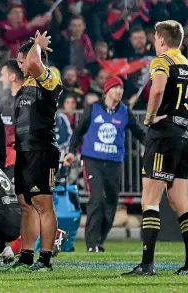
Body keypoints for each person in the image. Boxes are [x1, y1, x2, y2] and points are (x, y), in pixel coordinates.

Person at [123, 20, 188, 276]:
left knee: (150, 201)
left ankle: (147, 264)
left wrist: (149, 117)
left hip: (163, 135)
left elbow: (157, 89)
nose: (155, 43)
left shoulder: (161, 62)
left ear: (162, 40)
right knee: (180, 202)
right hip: (182, 137)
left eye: (155, 39)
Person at [63, 76, 146, 252]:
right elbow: (78, 132)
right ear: (107, 90)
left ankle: (100, 240)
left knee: (111, 203)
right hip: (92, 161)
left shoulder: (124, 111)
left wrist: (155, 146)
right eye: (116, 87)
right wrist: (71, 152)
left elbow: (139, 133)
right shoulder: (93, 109)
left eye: (121, 88)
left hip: (114, 163)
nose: (120, 91)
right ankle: (91, 242)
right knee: (97, 198)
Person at [11, 32, 62, 271]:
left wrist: (37, 46)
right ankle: (27, 256)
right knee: (25, 203)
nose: (20, 65)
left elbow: (33, 63)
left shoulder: (50, 79)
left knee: (43, 203)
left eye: (21, 60)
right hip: (24, 152)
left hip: (42, 150)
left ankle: (46, 258)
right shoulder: (24, 87)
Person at [0, 60, 25, 180]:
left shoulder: (29, 100)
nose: (1, 79)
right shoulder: (4, 101)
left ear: (12, 77)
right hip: (6, 164)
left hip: (24, 165)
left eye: (3, 75)